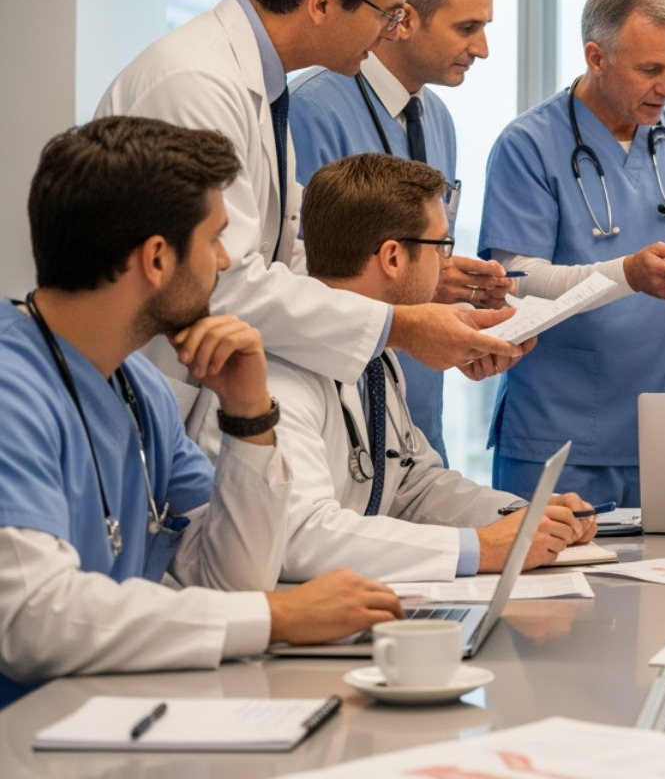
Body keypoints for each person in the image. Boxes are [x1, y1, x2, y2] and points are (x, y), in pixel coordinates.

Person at [97, 0, 522, 454]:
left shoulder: (262, 88)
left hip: (204, 399)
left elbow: (294, 250)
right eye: (388, 13)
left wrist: (417, 306)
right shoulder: (197, 84)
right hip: (156, 400)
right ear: (323, 2)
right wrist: (401, 326)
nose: (392, 31)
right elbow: (222, 280)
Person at [0, 118, 403, 708]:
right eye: (215, 239)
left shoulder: (141, 387)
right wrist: (275, 616)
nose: (222, 261)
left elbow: (233, 578)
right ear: (157, 259)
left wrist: (247, 415)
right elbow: (34, 619)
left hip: (106, 718)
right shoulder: (13, 390)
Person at [269, 154, 598, 583]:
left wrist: (527, 519)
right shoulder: (280, 373)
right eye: (442, 246)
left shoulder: (377, 355)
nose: (448, 264)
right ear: (391, 257)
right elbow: (301, 538)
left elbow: (413, 484)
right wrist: (483, 548)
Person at [478, 0, 665, 506]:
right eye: (650, 70)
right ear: (596, 57)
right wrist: (628, 275)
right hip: (559, 431)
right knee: (554, 585)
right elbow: (516, 280)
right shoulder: (528, 145)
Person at [289, 0, 513, 465]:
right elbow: (300, 274)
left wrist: (454, 306)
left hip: (418, 406)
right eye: (467, 28)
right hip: (341, 403)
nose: (482, 48)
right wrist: (424, 285)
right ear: (402, 19)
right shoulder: (310, 109)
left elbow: (415, 253)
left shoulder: (438, 119)